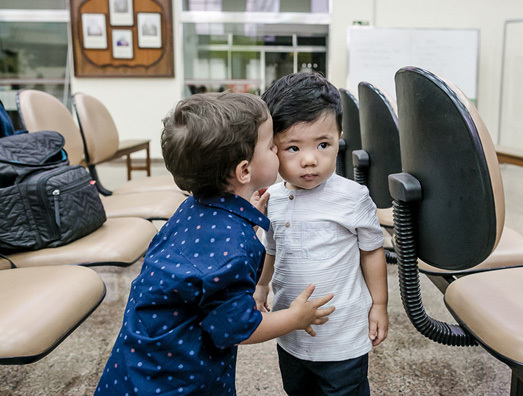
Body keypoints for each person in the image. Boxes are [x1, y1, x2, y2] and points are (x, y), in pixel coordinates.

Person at [95, 93, 335, 395]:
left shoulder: (190, 209)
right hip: (176, 378)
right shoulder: (232, 249)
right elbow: (236, 329)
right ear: (245, 171)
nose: (277, 150)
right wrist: (294, 318)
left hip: (138, 359)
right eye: (271, 147)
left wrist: (247, 221)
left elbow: (204, 260)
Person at [252, 72, 387, 395]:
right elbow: (271, 248)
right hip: (291, 332)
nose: (310, 160)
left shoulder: (352, 197)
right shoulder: (273, 198)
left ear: (339, 137)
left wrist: (379, 304)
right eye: (293, 148)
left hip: (343, 338)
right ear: (272, 148)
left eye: (323, 144)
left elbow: (371, 250)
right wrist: (260, 286)